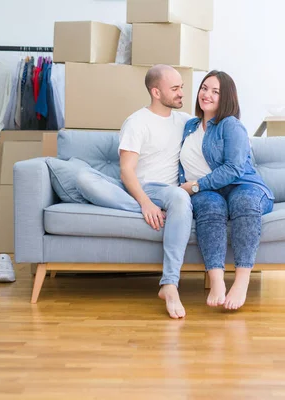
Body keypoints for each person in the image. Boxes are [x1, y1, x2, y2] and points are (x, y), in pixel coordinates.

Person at [75, 64, 192, 319]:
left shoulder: (185, 122)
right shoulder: (137, 122)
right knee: (83, 178)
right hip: (137, 188)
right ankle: (153, 211)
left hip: (169, 191)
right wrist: (146, 204)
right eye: (175, 88)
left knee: (180, 197)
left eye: (182, 87)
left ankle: (169, 284)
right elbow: (126, 172)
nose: (182, 92)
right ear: (156, 92)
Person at [179, 70, 274, 310]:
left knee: (243, 202)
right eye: (204, 88)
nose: (207, 94)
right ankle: (217, 281)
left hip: (244, 186)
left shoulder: (231, 125)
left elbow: (234, 168)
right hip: (210, 193)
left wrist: (197, 185)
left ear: (227, 98)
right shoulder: (189, 126)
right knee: (209, 205)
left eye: (215, 91)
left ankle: (241, 281)